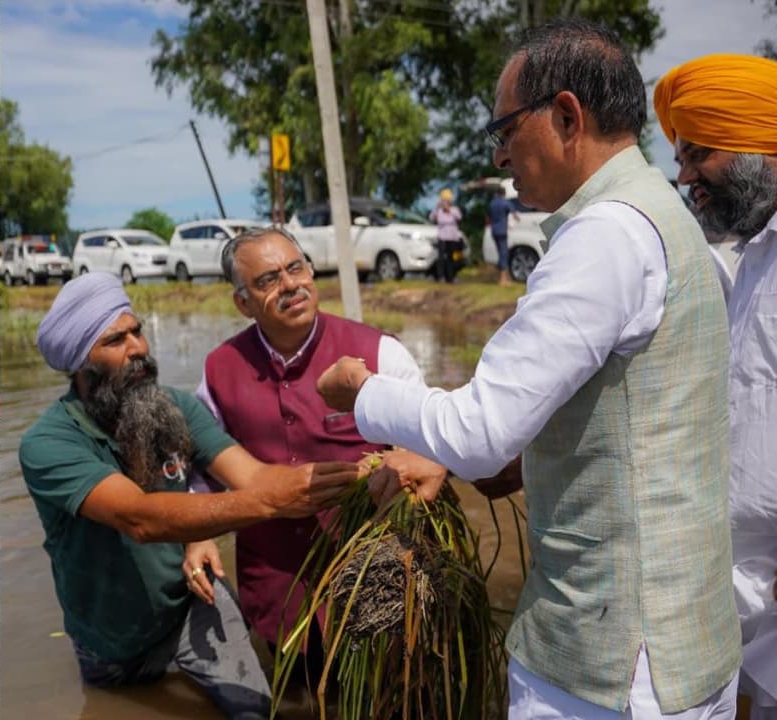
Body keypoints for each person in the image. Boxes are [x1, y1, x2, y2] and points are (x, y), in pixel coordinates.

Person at [315, 19, 739, 719]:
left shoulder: (604, 235)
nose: (502, 154)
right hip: (686, 644)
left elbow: (483, 428)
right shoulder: (667, 216)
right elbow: (625, 419)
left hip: (613, 667)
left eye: (506, 129)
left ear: (567, 116)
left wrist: (363, 393)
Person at [19, 272, 368, 719]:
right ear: (79, 365)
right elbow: (141, 518)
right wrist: (272, 502)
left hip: (192, 602)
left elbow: (253, 476)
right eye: (115, 341)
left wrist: (349, 476)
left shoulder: (175, 407)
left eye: (137, 332)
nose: (138, 349)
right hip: (109, 640)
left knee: (256, 711)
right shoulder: (49, 443)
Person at [193, 225, 453, 682]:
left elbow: (433, 443)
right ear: (242, 303)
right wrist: (198, 534)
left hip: (379, 586)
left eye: (296, 268)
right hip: (276, 592)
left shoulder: (379, 353)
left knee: (390, 696)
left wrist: (405, 465)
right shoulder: (219, 370)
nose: (290, 285)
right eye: (268, 280)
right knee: (299, 693)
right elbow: (202, 467)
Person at [654, 52, 777, 719]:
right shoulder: (752, 258)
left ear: (761, 143)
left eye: (699, 153)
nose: (683, 177)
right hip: (743, 608)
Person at [428, 188, 464, 283]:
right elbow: (431, 218)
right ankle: (440, 277)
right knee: (441, 258)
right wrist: (437, 208)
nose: (445, 203)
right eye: (444, 201)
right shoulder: (439, 211)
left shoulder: (454, 210)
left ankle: (451, 277)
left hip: (452, 237)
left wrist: (449, 210)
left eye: (447, 201)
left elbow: (459, 217)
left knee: (451, 258)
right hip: (442, 237)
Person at [488, 185, 519, 286]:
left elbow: (489, 216)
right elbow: (515, 215)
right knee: (503, 253)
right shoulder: (505, 202)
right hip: (502, 230)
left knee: (500, 252)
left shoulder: (492, 203)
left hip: (494, 231)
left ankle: (502, 277)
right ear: (504, 193)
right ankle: (502, 280)